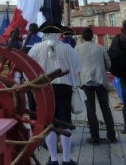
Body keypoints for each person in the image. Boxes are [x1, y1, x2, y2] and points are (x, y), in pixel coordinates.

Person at [28, 21, 80, 165]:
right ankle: (67, 159)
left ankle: (53, 159)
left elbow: (28, 70)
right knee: (65, 123)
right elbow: (77, 67)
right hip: (64, 87)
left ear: (43, 34)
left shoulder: (35, 49)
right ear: (58, 34)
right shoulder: (69, 49)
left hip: (44, 90)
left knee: (48, 123)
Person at [75, 27, 117, 144]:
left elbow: (75, 66)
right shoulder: (101, 48)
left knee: (90, 109)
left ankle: (95, 136)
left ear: (82, 37)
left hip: (85, 81)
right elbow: (108, 65)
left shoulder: (77, 49)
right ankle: (111, 134)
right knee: (105, 108)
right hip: (100, 80)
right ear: (93, 36)